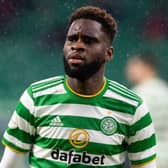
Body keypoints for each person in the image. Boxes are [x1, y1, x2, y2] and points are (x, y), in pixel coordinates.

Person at [0, 6, 157, 168]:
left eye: (89, 41)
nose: (77, 46)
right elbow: (9, 165)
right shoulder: (35, 97)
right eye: (72, 39)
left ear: (108, 53)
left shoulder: (132, 107)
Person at [126, 53, 168, 168]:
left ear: (147, 67)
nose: (129, 70)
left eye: (134, 66)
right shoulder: (165, 90)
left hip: (147, 158)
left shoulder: (137, 95)